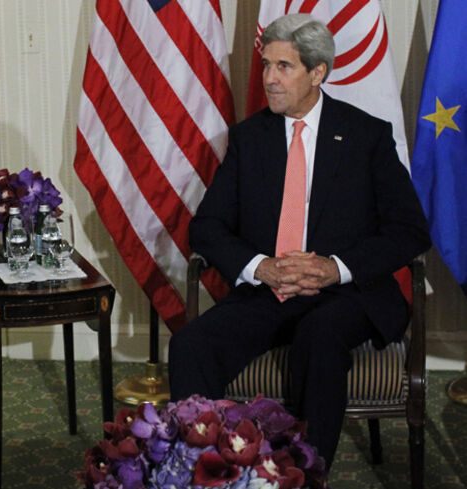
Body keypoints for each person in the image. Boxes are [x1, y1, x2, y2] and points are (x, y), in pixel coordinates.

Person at [168, 14, 430, 471]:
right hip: (268, 291)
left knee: (320, 335)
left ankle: (307, 473)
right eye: (266, 65)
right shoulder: (250, 138)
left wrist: (334, 268)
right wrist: (260, 267)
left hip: (347, 294)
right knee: (191, 344)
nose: (269, 78)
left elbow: (409, 230)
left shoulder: (366, 135)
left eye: (283, 67)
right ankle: (206, 470)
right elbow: (206, 227)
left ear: (317, 72)